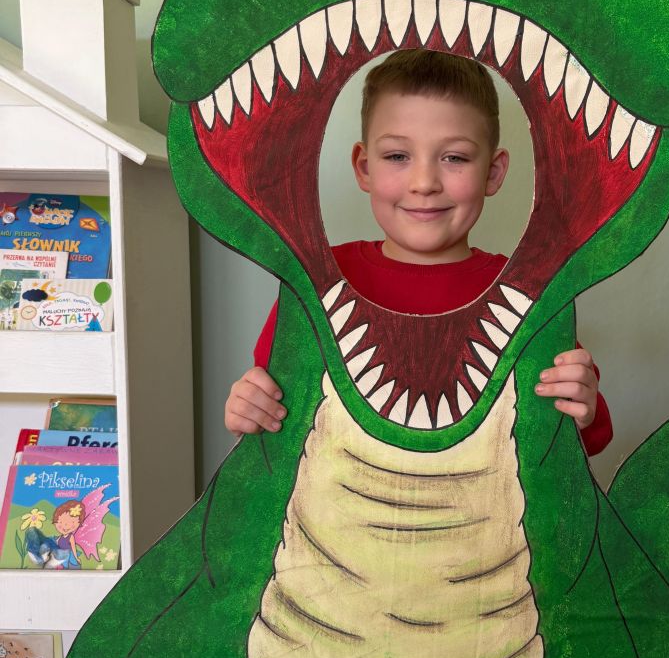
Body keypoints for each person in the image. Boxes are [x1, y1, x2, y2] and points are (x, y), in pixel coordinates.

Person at [224, 50, 612, 453]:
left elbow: (589, 438)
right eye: (397, 156)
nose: (424, 183)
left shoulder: (528, 296)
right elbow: (274, 417)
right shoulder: (316, 284)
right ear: (364, 168)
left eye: (455, 158)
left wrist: (584, 409)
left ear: (493, 173)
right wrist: (250, 412)